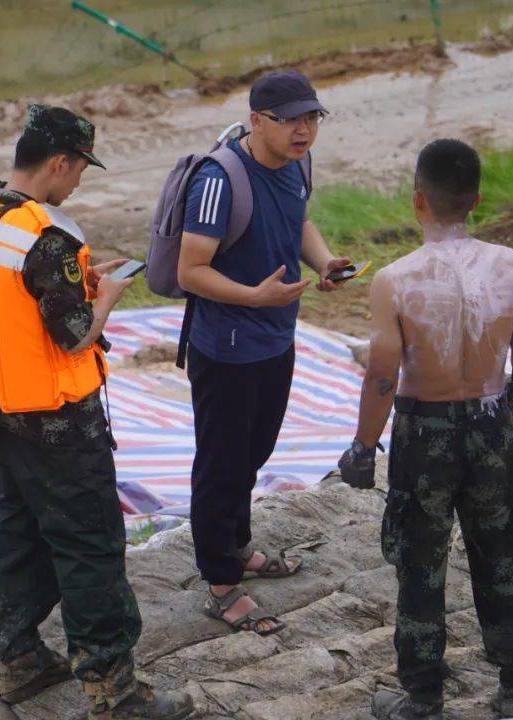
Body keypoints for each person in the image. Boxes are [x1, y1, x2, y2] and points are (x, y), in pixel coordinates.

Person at [0, 105, 193, 720]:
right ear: (59, 162)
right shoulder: (46, 236)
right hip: (59, 416)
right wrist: (103, 296)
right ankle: (114, 690)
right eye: (80, 167)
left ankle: (19, 661)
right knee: (89, 543)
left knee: (20, 529)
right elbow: (75, 334)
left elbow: (15, 297)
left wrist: (76, 278)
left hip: (1, 403)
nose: (79, 180)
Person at [336, 139, 513, 720]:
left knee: (421, 564)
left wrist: (363, 447)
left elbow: (383, 377)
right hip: (490, 426)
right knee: (503, 555)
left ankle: (425, 696)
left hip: (423, 433)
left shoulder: (396, 280)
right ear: (476, 200)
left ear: (418, 202)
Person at [176, 70, 350, 635]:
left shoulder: (296, 166)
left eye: (312, 118)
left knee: (256, 448)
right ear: (256, 121)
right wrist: (254, 297)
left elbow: (299, 220)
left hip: (276, 336)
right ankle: (221, 582)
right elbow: (190, 270)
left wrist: (323, 262)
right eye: (291, 119)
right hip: (226, 347)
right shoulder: (219, 180)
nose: (304, 130)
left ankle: (238, 545)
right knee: (222, 460)